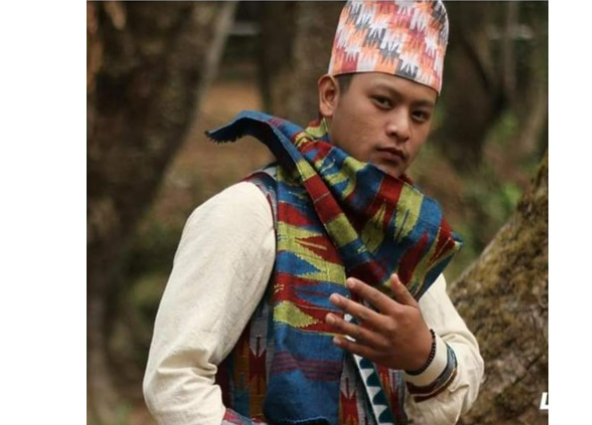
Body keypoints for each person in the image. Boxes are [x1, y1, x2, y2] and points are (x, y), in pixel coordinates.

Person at [143, 1, 484, 424]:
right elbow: (173, 379)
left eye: (419, 114)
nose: (402, 128)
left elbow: (465, 360)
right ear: (329, 96)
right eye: (383, 101)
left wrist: (422, 355)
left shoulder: (397, 231)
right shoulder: (247, 214)